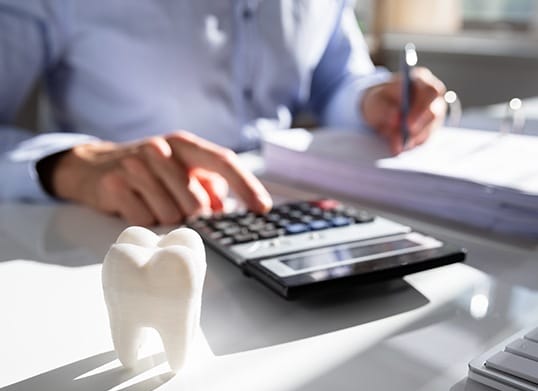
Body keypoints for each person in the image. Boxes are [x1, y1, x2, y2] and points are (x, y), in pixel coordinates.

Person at [0, 0, 446, 226]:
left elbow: (335, 82)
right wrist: (71, 166)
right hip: (116, 228)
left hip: (290, 215)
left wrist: (372, 101)